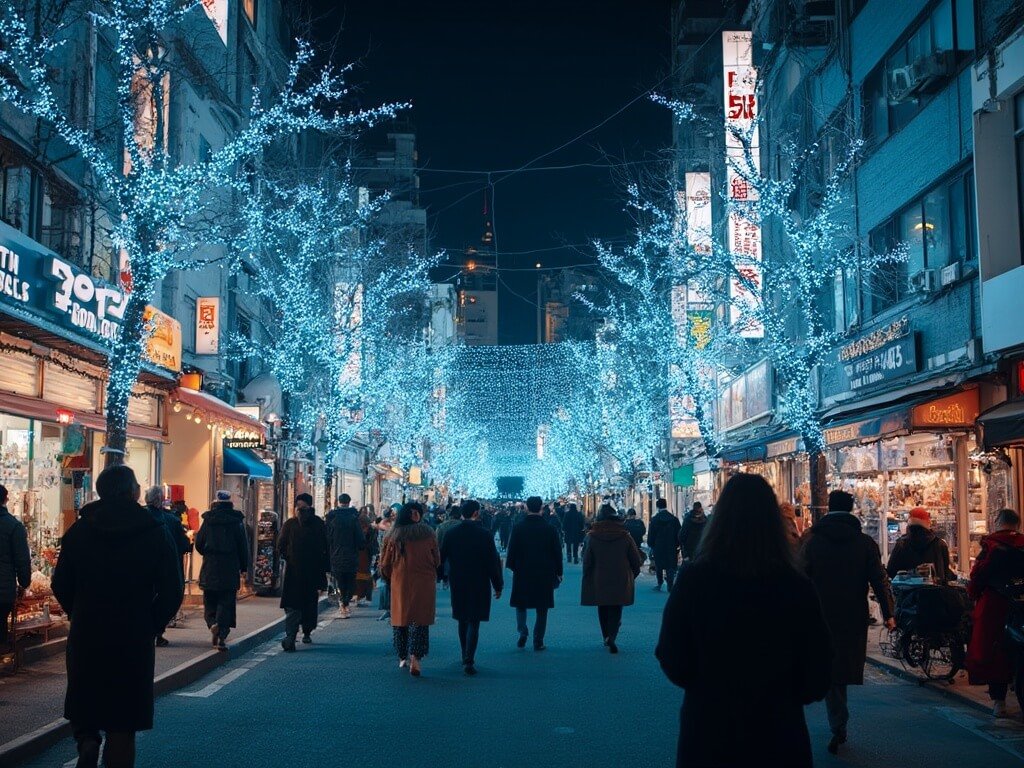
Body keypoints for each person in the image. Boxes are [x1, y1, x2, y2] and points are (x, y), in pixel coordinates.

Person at [656, 473, 832, 768]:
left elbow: (671, 655)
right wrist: (786, 696)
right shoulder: (795, 585)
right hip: (778, 733)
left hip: (709, 731)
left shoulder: (695, 580)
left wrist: (705, 686)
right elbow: (819, 668)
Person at [52, 465, 183, 768]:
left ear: (100, 491)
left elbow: (61, 583)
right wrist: (152, 623)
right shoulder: (153, 531)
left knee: (86, 701)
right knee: (123, 723)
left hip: (88, 631)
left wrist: (79, 611)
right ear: (133, 492)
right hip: (133, 634)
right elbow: (172, 589)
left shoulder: (80, 531)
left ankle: (87, 740)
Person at [800, 489, 894, 755]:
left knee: (827, 666)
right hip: (853, 614)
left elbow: (798, 577)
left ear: (828, 508)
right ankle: (837, 721)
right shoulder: (864, 543)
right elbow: (879, 579)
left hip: (818, 613)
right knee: (841, 666)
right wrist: (889, 613)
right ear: (852, 509)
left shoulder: (813, 541)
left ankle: (836, 719)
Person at [966, 508, 1024, 718]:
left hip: (996, 605)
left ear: (998, 522)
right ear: (1017, 524)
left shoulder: (991, 545)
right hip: (1021, 604)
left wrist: (973, 594)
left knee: (995, 651)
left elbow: (978, 576)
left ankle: (999, 702)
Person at [440, 499, 503, 674]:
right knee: (474, 619)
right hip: (479, 579)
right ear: (476, 513)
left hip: (458, 579)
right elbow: (492, 562)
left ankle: (464, 654)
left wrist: (441, 576)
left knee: (462, 618)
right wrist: (497, 584)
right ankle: (469, 658)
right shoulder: (484, 534)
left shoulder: (451, 533)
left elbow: (441, 557)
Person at [379, 502, 440, 677]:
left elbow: (385, 563)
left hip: (400, 580)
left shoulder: (393, 535)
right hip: (424, 582)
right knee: (420, 621)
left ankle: (402, 656)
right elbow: (437, 559)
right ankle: (416, 657)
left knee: (401, 619)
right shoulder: (428, 533)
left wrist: (389, 577)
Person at [582, 504, 641, 654]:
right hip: (620, 576)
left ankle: (606, 635)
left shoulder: (592, 536)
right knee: (616, 606)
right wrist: (633, 574)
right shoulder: (625, 535)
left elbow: (587, 559)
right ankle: (613, 635)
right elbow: (635, 559)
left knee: (602, 606)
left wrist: (587, 574)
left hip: (599, 576)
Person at [506, 496, 563, 651]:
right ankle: (538, 640)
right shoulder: (550, 529)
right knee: (542, 607)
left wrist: (513, 566)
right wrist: (559, 571)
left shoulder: (518, 528)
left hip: (523, 571)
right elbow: (557, 552)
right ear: (541, 508)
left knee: (521, 604)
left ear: (526, 508)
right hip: (544, 571)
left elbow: (512, 551)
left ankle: (522, 631)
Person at [194, 490, 249, 651]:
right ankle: (222, 636)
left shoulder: (208, 520)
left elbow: (199, 543)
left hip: (210, 566)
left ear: (216, 502)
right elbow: (243, 546)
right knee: (226, 601)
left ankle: (213, 623)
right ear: (230, 502)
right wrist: (244, 567)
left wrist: (208, 554)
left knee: (210, 599)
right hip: (229, 567)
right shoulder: (236, 521)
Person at [278, 494, 330, 652]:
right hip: (312, 572)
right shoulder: (318, 524)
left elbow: (280, 545)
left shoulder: (290, 524)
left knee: (293, 605)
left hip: (294, 572)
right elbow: (326, 547)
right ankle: (305, 631)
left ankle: (291, 636)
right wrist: (326, 569)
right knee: (309, 603)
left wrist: (288, 557)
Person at [144, 487, 190, 647]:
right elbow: (183, 544)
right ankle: (157, 631)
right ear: (161, 500)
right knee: (168, 598)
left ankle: (149, 630)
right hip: (168, 568)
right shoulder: (171, 520)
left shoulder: (139, 516)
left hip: (144, 567)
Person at [886, 506, 955, 582]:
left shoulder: (901, 544)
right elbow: (945, 574)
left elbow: (891, 572)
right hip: (935, 588)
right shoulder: (940, 544)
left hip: (906, 589)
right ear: (928, 523)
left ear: (908, 524)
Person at [325, 493, 365, 619]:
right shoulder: (354, 517)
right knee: (350, 580)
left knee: (339, 579)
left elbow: (327, 537)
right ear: (349, 502)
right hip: (351, 554)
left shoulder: (332, 517)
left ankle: (343, 603)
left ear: (339, 502)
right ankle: (345, 602)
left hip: (336, 554)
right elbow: (360, 538)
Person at [0, 485, 31, 646]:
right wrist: (24, 583)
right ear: (6, 499)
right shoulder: (13, 526)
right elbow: (22, 559)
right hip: (3, 590)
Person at [648, 498, 681, 591]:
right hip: (671, 546)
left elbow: (651, 534)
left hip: (658, 546)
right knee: (670, 566)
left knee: (659, 565)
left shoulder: (655, 520)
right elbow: (679, 533)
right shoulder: (674, 519)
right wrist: (677, 544)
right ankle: (670, 584)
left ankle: (659, 582)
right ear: (666, 505)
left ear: (657, 506)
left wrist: (651, 545)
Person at [355, 507, 379, 605]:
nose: (364, 529)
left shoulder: (371, 531)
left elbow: (372, 543)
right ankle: (361, 596)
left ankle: (363, 596)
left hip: (365, 553)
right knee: (362, 577)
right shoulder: (361, 530)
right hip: (361, 554)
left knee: (365, 576)